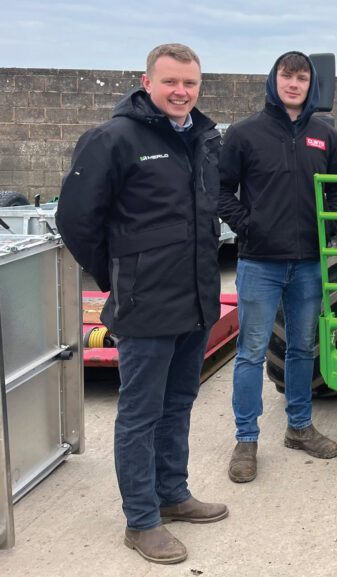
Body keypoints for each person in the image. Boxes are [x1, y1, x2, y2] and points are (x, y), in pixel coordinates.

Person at [57, 43, 227, 564]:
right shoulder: (113, 139)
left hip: (196, 299)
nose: (181, 92)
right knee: (139, 413)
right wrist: (118, 276)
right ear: (147, 82)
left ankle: (172, 494)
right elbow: (76, 220)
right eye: (171, 82)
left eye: (191, 84)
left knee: (178, 404)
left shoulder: (203, 137)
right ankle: (141, 520)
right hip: (144, 304)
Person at [218, 51, 337, 483]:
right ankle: (246, 440)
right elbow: (220, 191)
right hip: (260, 263)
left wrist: (326, 230)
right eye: (286, 76)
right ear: (272, 80)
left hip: (310, 264)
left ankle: (299, 428)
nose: (293, 84)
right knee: (251, 353)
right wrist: (248, 226)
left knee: (302, 349)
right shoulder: (244, 134)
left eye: (301, 78)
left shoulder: (323, 135)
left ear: (311, 85)